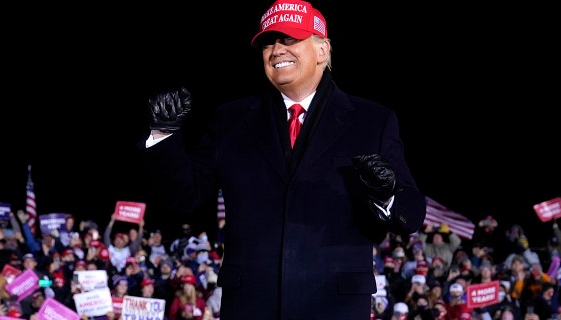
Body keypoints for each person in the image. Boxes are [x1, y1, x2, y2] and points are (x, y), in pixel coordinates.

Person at [138, 0, 426, 318]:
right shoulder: (230, 120)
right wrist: (163, 136)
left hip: (334, 307)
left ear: (322, 51)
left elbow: (410, 216)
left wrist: (386, 194)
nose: (276, 50)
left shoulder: (372, 121)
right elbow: (184, 198)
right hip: (250, 305)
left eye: (289, 39)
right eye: (268, 42)